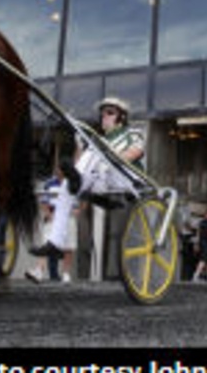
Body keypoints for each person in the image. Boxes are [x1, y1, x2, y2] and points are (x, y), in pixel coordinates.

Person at [29, 97, 144, 260]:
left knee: (95, 151)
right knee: (67, 186)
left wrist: (110, 156)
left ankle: (79, 181)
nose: (104, 117)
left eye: (110, 113)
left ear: (122, 117)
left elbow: (135, 152)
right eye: (102, 114)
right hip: (104, 179)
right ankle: (55, 242)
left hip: (126, 178)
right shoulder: (100, 140)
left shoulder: (132, 133)